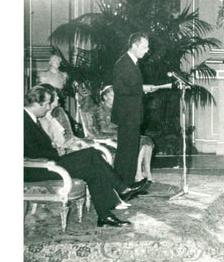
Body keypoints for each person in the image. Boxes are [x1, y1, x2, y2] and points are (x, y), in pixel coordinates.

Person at [24, 85, 149, 227]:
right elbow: (31, 151)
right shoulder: (23, 120)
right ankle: (122, 188)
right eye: (46, 104)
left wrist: (55, 149)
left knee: (93, 170)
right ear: (36, 104)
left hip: (48, 163)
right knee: (91, 153)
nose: (48, 108)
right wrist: (55, 150)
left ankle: (104, 215)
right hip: (36, 168)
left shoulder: (30, 118)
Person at [112, 33, 160, 184]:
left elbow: (130, 87)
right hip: (126, 116)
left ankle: (129, 183)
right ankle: (122, 185)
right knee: (125, 152)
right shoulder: (123, 63)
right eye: (144, 47)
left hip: (132, 115)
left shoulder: (133, 62)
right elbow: (119, 89)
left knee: (131, 151)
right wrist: (141, 88)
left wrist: (142, 89)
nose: (147, 50)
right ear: (134, 45)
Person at [96, 85, 155, 182]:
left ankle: (147, 172)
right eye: (113, 96)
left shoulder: (117, 108)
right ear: (105, 97)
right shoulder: (100, 110)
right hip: (108, 136)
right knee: (138, 141)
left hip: (120, 134)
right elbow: (103, 129)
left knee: (146, 140)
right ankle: (137, 172)